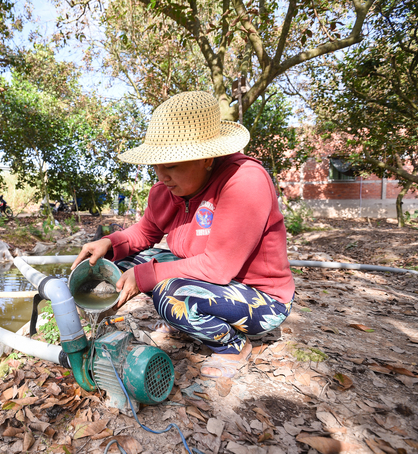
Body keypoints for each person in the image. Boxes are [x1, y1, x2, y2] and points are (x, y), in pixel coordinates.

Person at [71, 91, 295, 379]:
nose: (161, 175)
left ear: (207, 158)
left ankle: (233, 347)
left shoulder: (244, 182)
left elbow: (219, 266)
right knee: (120, 265)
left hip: (260, 296)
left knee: (170, 294)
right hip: (211, 278)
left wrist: (147, 277)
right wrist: (108, 243)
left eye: (172, 165)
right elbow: (144, 232)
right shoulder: (168, 190)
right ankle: (184, 319)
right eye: (157, 165)